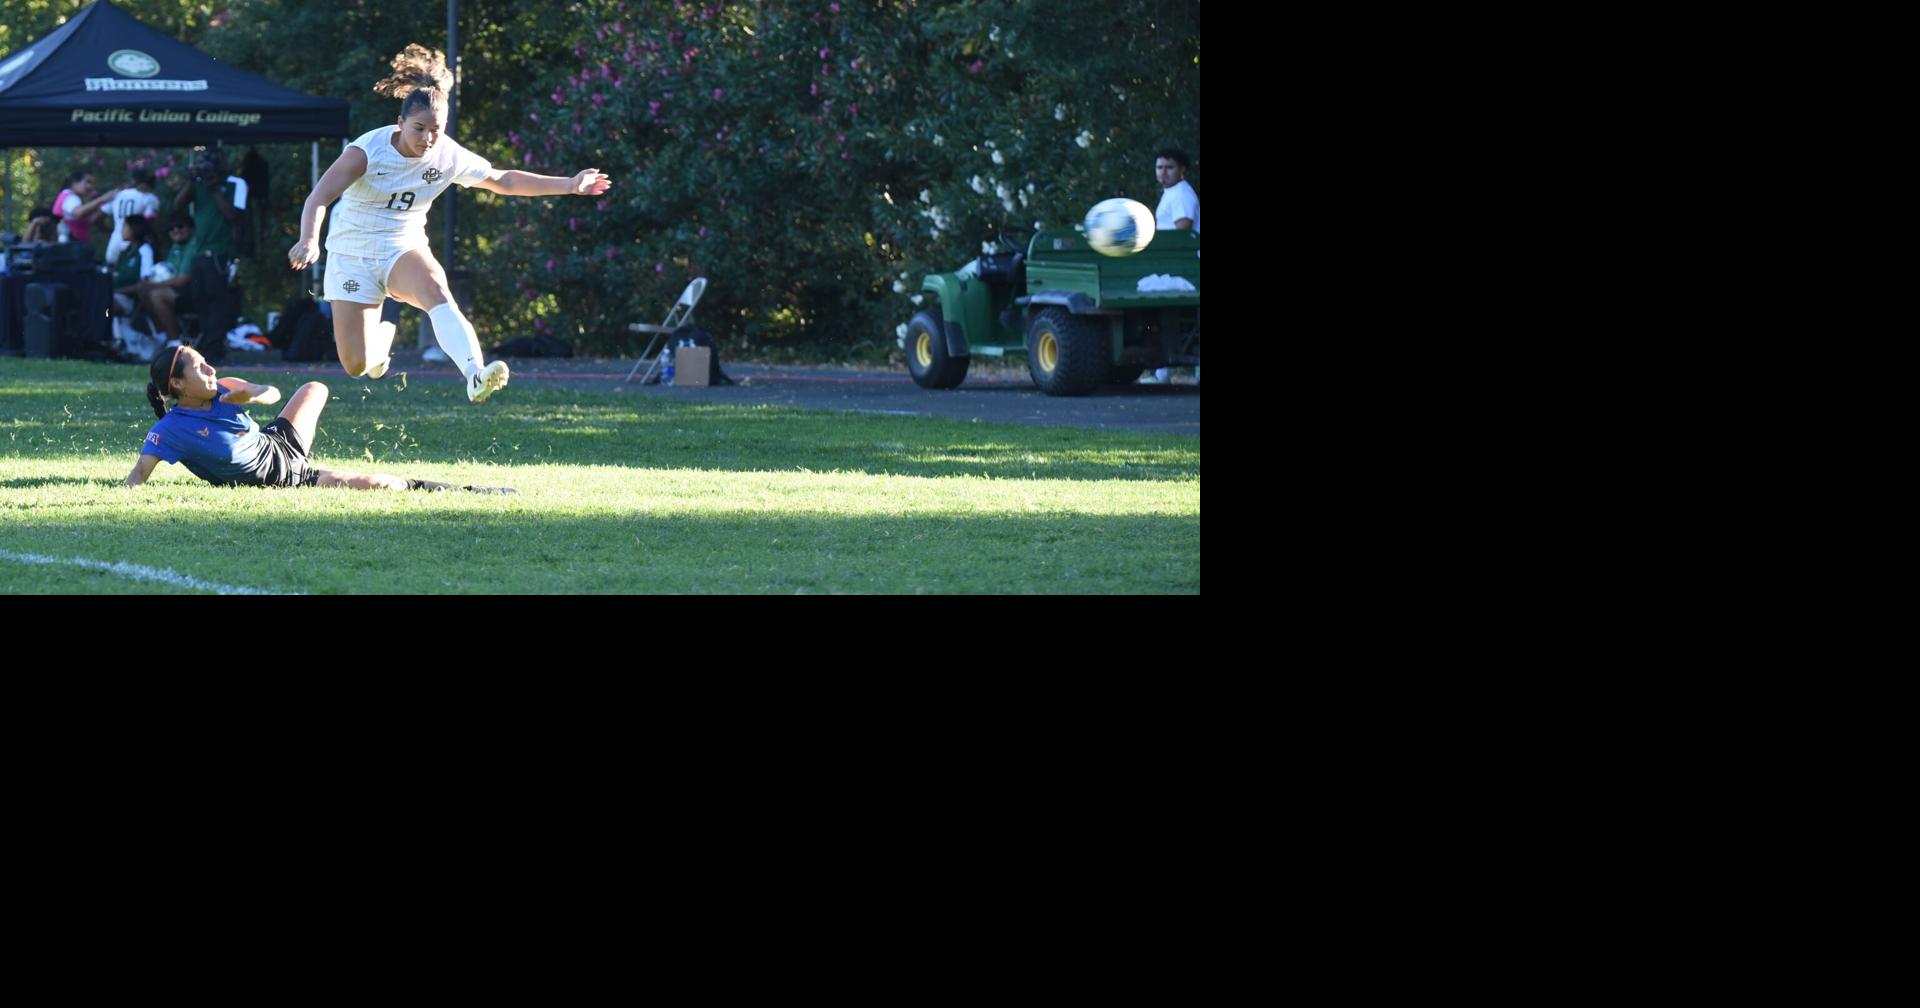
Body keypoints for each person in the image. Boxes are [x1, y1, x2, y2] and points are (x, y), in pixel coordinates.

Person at [288, 43, 612, 402]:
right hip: (352, 252)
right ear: (400, 124)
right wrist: (309, 240)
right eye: (419, 128)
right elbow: (318, 197)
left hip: (402, 246)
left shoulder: (448, 155)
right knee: (356, 364)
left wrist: (568, 185)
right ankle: (381, 343)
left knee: (439, 294)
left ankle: (475, 374)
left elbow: (503, 180)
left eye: (436, 130)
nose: (427, 139)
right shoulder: (367, 151)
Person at [123, 344, 515, 492]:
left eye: (207, 362)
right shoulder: (168, 431)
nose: (210, 369)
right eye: (199, 368)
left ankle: (374, 354)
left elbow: (272, 392)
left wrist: (255, 395)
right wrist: (128, 494)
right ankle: (465, 490)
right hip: (283, 477)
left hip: (278, 442)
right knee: (378, 485)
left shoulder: (224, 386)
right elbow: (137, 477)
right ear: (177, 384)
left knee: (315, 388)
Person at [1144, 147, 1200, 384]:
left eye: (1169, 167)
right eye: (1160, 167)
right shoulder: (1170, 193)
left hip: (1186, 264)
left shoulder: (1182, 195)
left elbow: (1182, 231)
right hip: (1172, 262)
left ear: (1182, 170)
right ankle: (1162, 372)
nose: (1163, 172)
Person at [171, 148, 249, 268]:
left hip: (222, 251)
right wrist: (191, 180)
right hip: (200, 250)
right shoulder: (197, 184)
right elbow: (178, 205)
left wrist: (215, 190)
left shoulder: (236, 183)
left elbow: (233, 216)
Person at [104, 168, 163, 265]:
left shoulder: (118, 195)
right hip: (135, 247)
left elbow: (97, 218)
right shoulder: (150, 198)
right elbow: (150, 223)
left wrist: (112, 231)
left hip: (114, 244)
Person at [52, 170, 121, 251]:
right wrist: (102, 199)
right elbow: (79, 212)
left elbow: (89, 220)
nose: (90, 186)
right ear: (74, 183)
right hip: (72, 250)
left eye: (92, 183)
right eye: (87, 182)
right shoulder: (71, 198)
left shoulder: (65, 195)